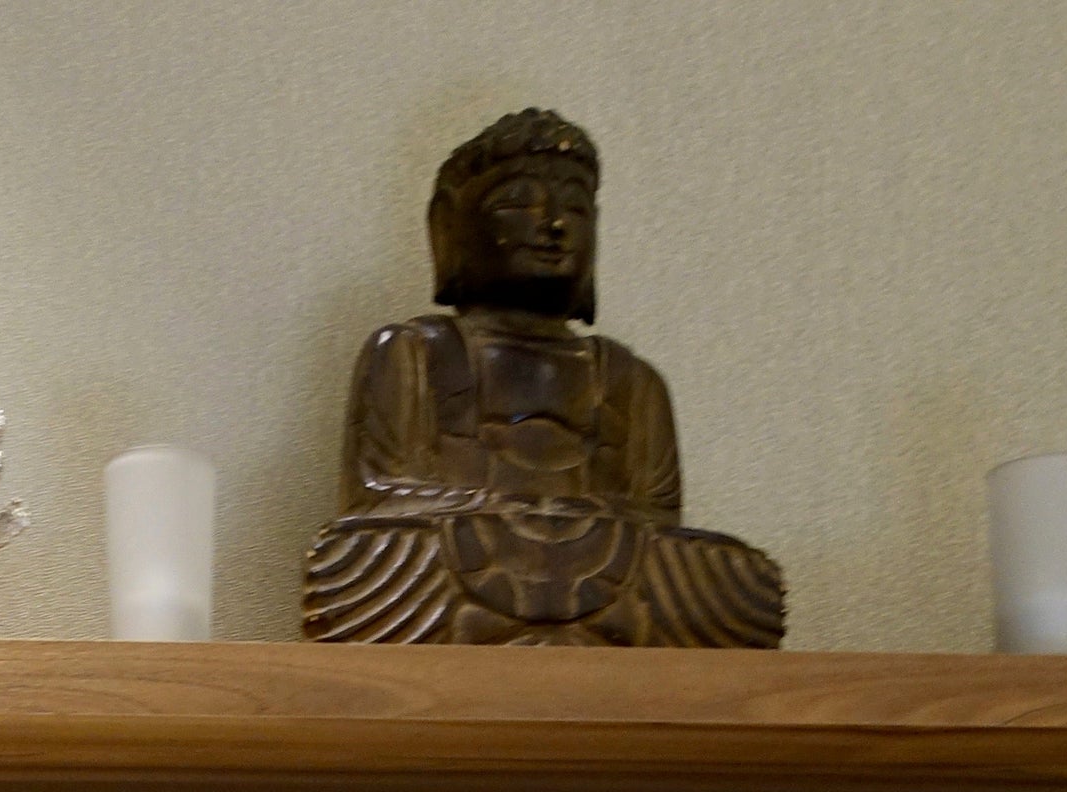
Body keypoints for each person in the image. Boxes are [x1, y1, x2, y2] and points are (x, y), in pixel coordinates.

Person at [304, 107, 784, 648]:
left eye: (575, 209)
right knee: (353, 559)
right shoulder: (412, 353)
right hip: (451, 568)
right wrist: (507, 514)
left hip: (608, 571)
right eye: (517, 203)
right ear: (449, 226)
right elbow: (375, 497)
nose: (554, 225)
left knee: (730, 574)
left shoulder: (631, 379)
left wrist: (570, 521)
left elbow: (659, 517)